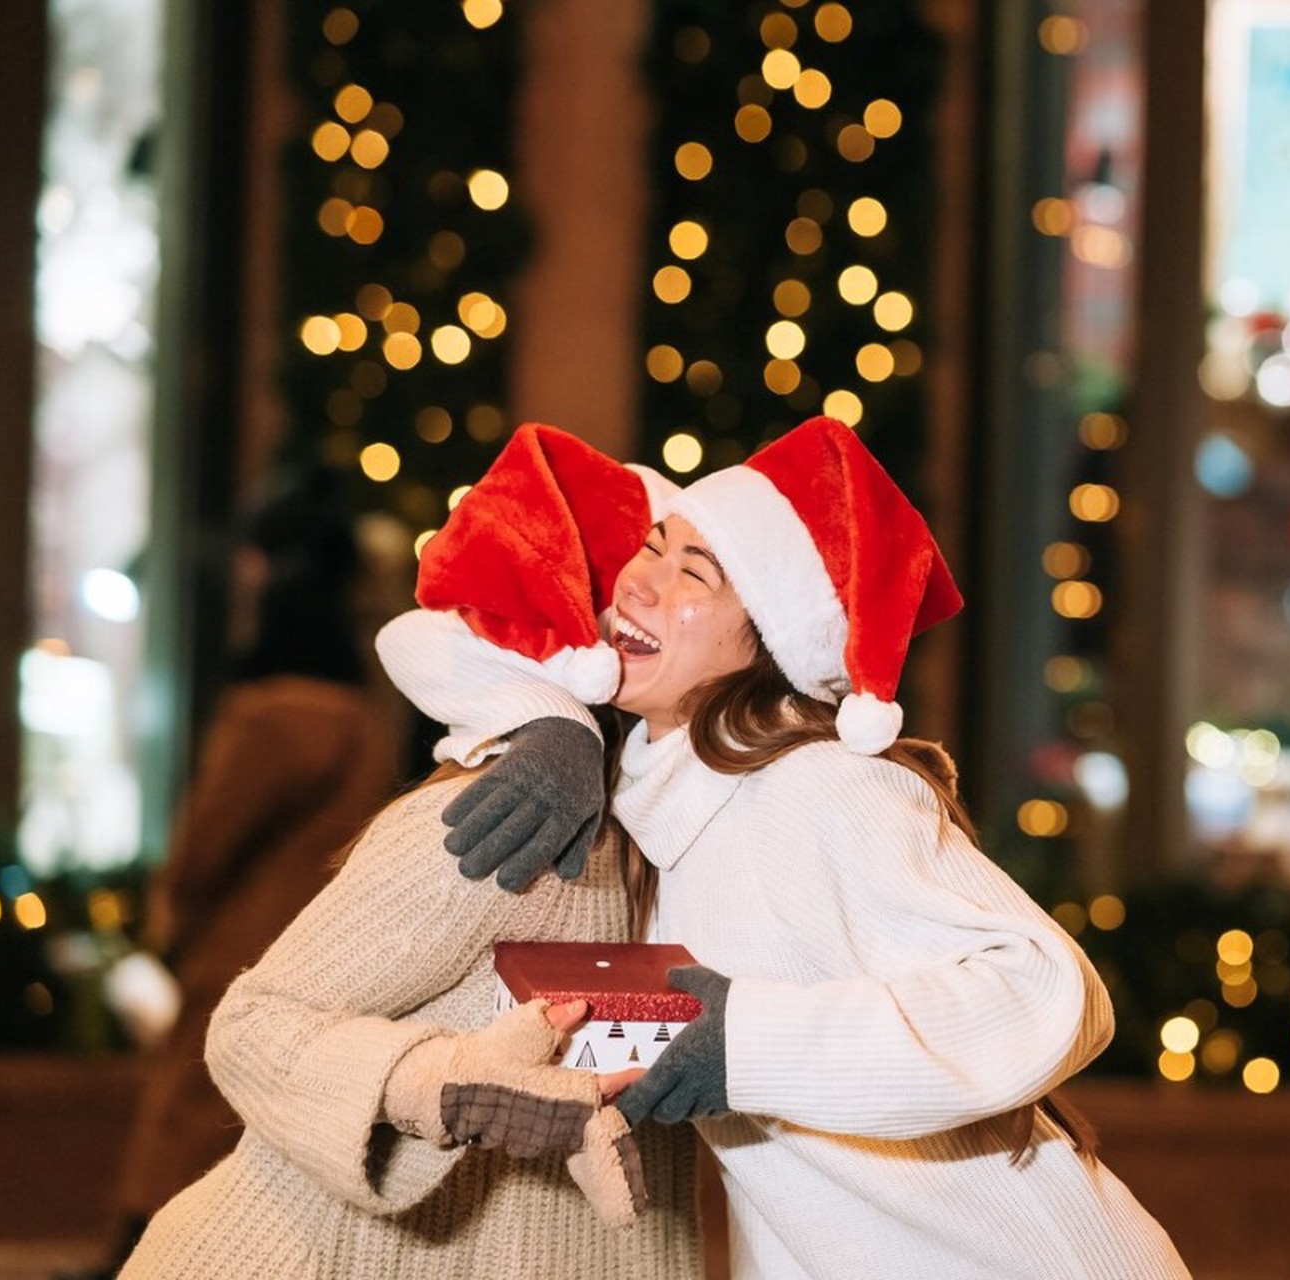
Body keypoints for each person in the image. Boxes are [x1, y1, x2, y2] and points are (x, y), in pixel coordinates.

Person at [387, 416, 1190, 1279]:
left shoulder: (819, 786)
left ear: (767, 641)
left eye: (694, 573)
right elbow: (439, 624)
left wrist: (747, 1044)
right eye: (650, 547)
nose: (640, 584)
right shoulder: (654, 793)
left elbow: (1046, 991)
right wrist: (550, 725)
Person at [119, 427, 702, 1279]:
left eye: (701, 575)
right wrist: (451, 1084)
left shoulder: (698, 831)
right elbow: (250, 1026)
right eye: (655, 567)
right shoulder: (513, 820)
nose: (665, 593)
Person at [109, 470, 402, 1255]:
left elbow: (205, 849)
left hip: (236, 951)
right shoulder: (362, 711)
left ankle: (143, 1255)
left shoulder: (270, 712)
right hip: (323, 950)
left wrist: (172, 914)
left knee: (189, 1126)